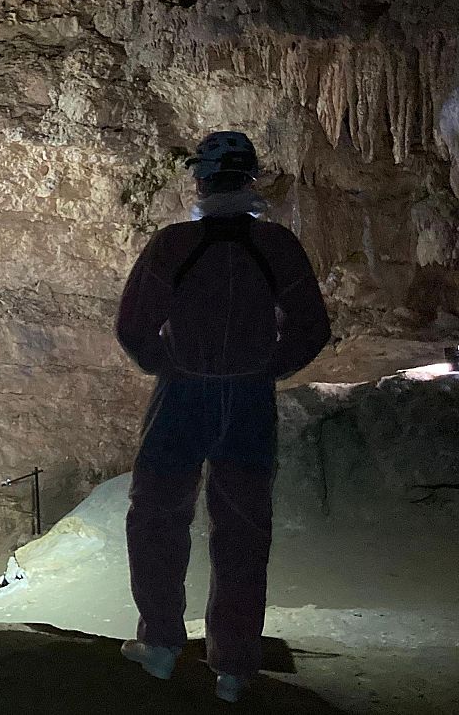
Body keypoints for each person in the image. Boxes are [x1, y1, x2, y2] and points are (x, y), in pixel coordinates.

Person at [115, 131, 330, 703]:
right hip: (248, 403)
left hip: (182, 398)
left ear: (201, 181)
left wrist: (167, 364)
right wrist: (266, 367)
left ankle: (161, 643)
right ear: (250, 179)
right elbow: (312, 326)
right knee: (242, 530)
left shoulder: (174, 245)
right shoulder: (276, 245)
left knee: (157, 516)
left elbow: (134, 325)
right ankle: (233, 668)